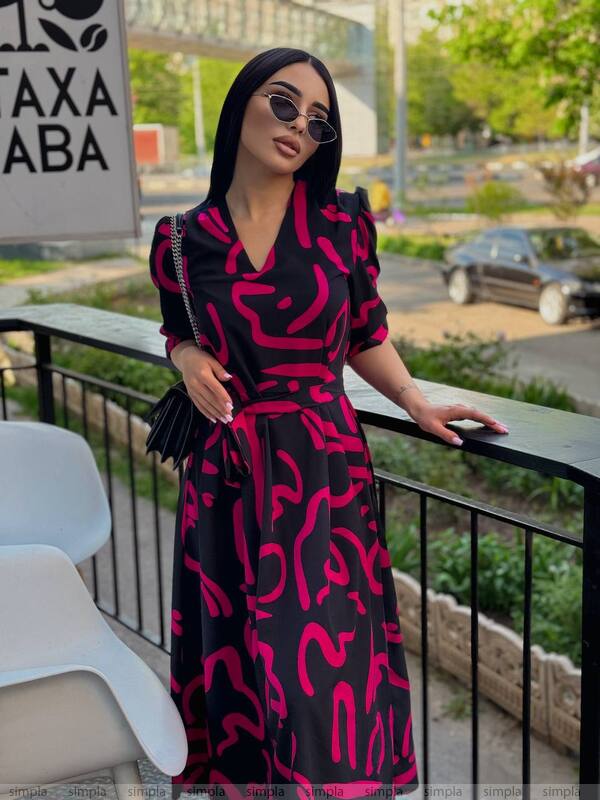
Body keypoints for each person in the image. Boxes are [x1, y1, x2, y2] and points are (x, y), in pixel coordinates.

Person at [149, 46, 509, 799]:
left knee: (320, 671)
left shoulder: (342, 221)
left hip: (321, 476)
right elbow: (180, 325)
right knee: (240, 660)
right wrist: (184, 352)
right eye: (282, 104)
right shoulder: (182, 239)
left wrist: (415, 400)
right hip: (226, 477)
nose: (298, 128)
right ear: (240, 102)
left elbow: (365, 333)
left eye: (317, 122)